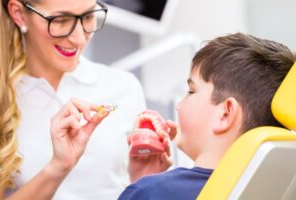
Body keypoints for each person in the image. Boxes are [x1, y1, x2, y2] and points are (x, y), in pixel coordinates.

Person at [0, 0, 145, 199]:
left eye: (88, 17)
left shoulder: (125, 87)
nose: (79, 39)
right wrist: (58, 167)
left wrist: (150, 178)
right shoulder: (2, 97)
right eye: (60, 20)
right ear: (19, 14)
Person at [119, 32, 296, 200]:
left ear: (225, 114)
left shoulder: (152, 192)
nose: (178, 105)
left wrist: (141, 187)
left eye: (191, 91)